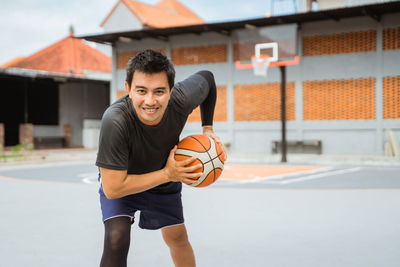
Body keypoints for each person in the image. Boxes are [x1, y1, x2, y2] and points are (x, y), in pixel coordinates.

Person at [96, 49, 221, 267]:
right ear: (128, 89)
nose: (150, 101)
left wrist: (208, 128)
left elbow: (208, 78)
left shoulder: (181, 99)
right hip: (126, 178)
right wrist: (167, 173)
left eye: (159, 92)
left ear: (171, 91)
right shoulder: (115, 121)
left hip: (164, 180)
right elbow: (113, 188)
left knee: (177, 238)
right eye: (141, 91)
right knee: (116, 237)